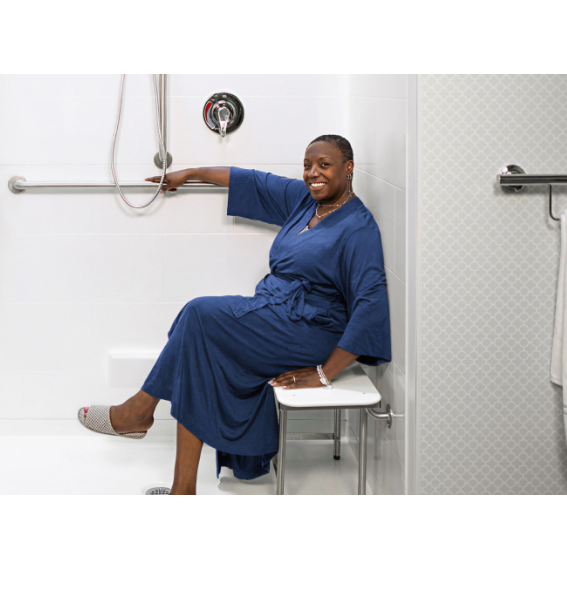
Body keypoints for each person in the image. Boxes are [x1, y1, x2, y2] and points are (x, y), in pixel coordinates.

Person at [78, 135, 391, 495]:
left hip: (311, 329)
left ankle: (137, 413)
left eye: (324, 165)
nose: (312, 173)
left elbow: (370, 305)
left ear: (348, 169)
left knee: (199, 315)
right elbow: (250, 179)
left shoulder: (359, 228)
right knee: (200, 344)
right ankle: (180, 485)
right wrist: (191, 172)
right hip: (279, 313)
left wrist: (324, 373)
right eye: (307, 165)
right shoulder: (306, 201)